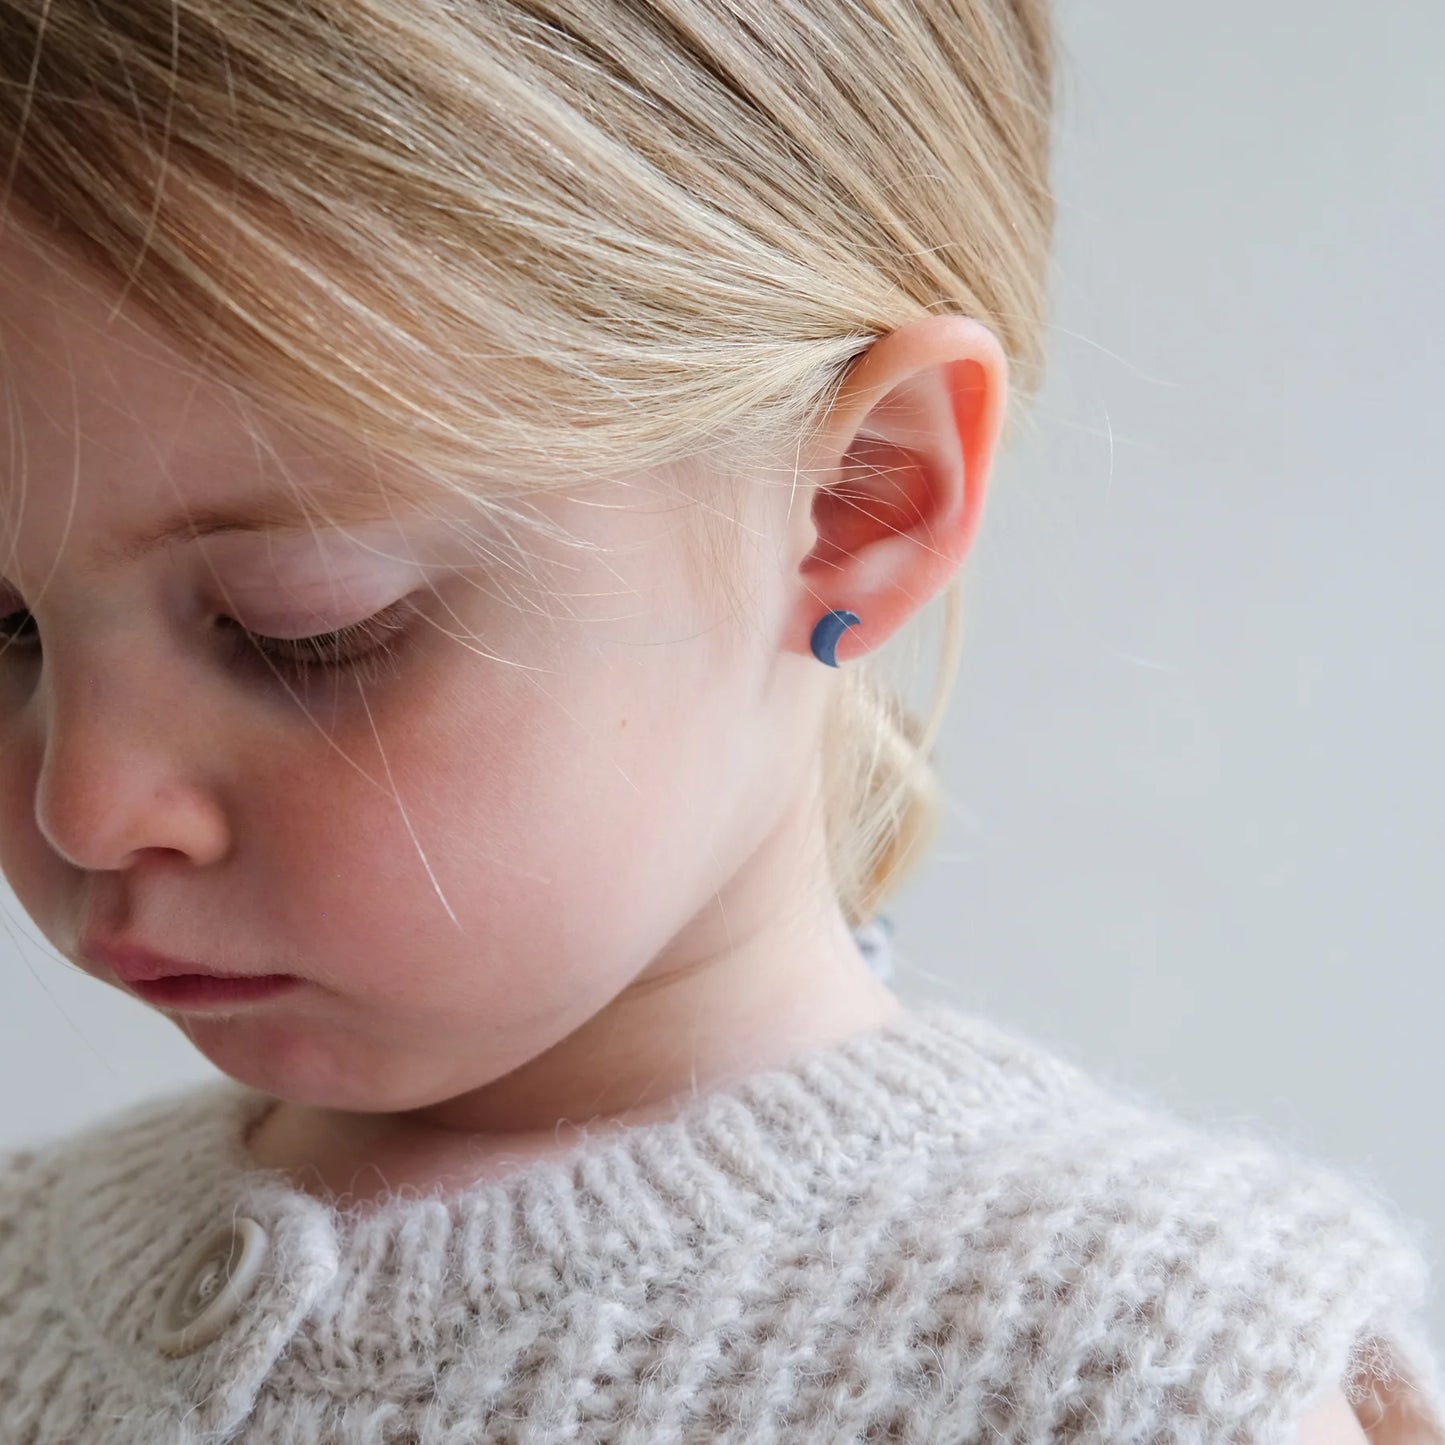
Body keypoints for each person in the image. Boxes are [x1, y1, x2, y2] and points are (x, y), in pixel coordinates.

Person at [0, 2, 1437, 1440]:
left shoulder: (1143, 1370)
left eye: (298, 625)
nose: (83, 802)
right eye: (6, 630)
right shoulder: (22, 1266)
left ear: (859, 497)